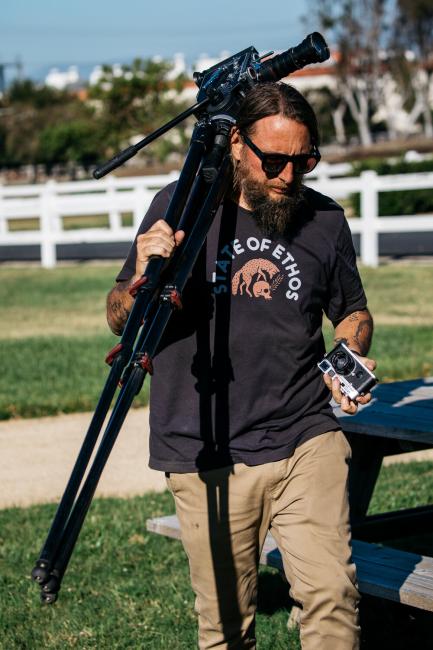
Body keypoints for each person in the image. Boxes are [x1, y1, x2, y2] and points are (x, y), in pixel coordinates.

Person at [107, 82, 376, 650]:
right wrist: (144, 277)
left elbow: (352, 312)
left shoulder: (325, 220)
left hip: (306, 435)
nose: (288, 176)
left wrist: (348, 354)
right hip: (206, 447)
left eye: (304, 161)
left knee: (332, 595)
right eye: (273, 160)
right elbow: (116, 317)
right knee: (226, 627)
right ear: (235, 143)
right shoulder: (179, 207)